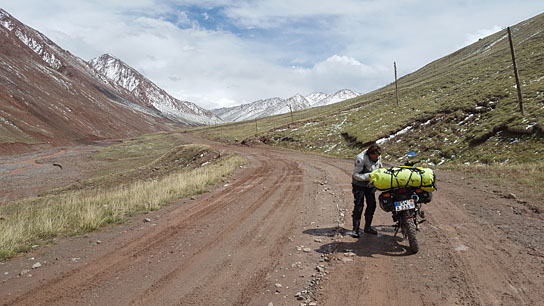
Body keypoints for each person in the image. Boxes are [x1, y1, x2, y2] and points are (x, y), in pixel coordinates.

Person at [350, 143, 382, 238]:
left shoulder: (378, 156)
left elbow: (379, 167)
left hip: (370, 185)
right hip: (358, 185)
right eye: (375, 157)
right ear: (370, 154)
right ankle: (355, 229)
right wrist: (369, 176)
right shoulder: (361, 158)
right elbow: (355, 175)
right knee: (359, 205)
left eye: (378, 156)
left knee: (372, 205)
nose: (377, 158)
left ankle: (367, 227)